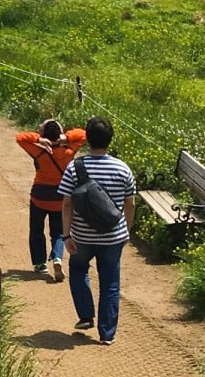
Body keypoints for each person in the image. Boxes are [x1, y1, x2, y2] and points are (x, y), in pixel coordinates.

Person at [57, 116, 137, 346]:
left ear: (87, 140)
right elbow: (130, 204)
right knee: (110, 282)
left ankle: (85, 316)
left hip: (82, 236)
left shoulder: (75, 167)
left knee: (79, 269)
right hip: (113, 236)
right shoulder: (123, 169)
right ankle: (107, 333)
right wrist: (126, 232)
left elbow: (67, 205)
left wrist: (66, 235)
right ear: (110, 139)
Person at [17, 120, 87, 281]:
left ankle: (40, 264)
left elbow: (20, 137)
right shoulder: (69, 151)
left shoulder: (38, 151)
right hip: (60, 197)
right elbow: (84, 134)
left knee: (36, 230)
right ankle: (57, 258)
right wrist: (66, 138)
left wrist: (37, 139)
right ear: (59, 134)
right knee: (59, 232)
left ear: (43, 135)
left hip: (39, 196)